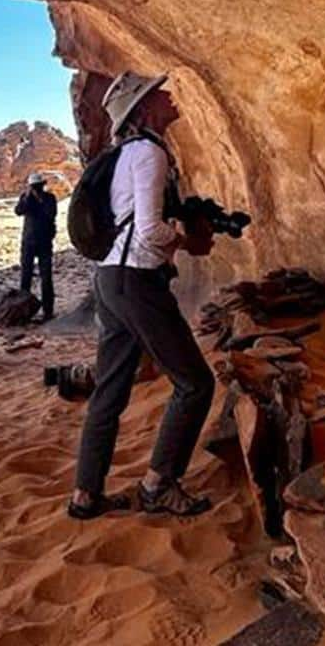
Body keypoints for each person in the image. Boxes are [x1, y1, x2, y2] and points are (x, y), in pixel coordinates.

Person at [68, 72, 218, 521]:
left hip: (109, 279)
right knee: (195, 383)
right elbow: (150, 230)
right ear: (144, 110)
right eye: (158, 93)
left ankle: (85, 496)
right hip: (136, 282)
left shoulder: (124, 155)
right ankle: (158, 485)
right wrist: (189, 242)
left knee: (109, 392)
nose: (168, 96)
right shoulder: (149, 153)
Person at [14, 171, 58, 320]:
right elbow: (18, 211)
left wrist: (38, 200)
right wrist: (27, 197)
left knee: (46, 277)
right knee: (26, 276)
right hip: (29, 242)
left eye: (38, 186)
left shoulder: (49, 198)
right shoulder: (26, 199)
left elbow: (50, 214)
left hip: (45, 242)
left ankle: (48, 311)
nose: (36, 189)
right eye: (34, 186)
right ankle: (23, 311)